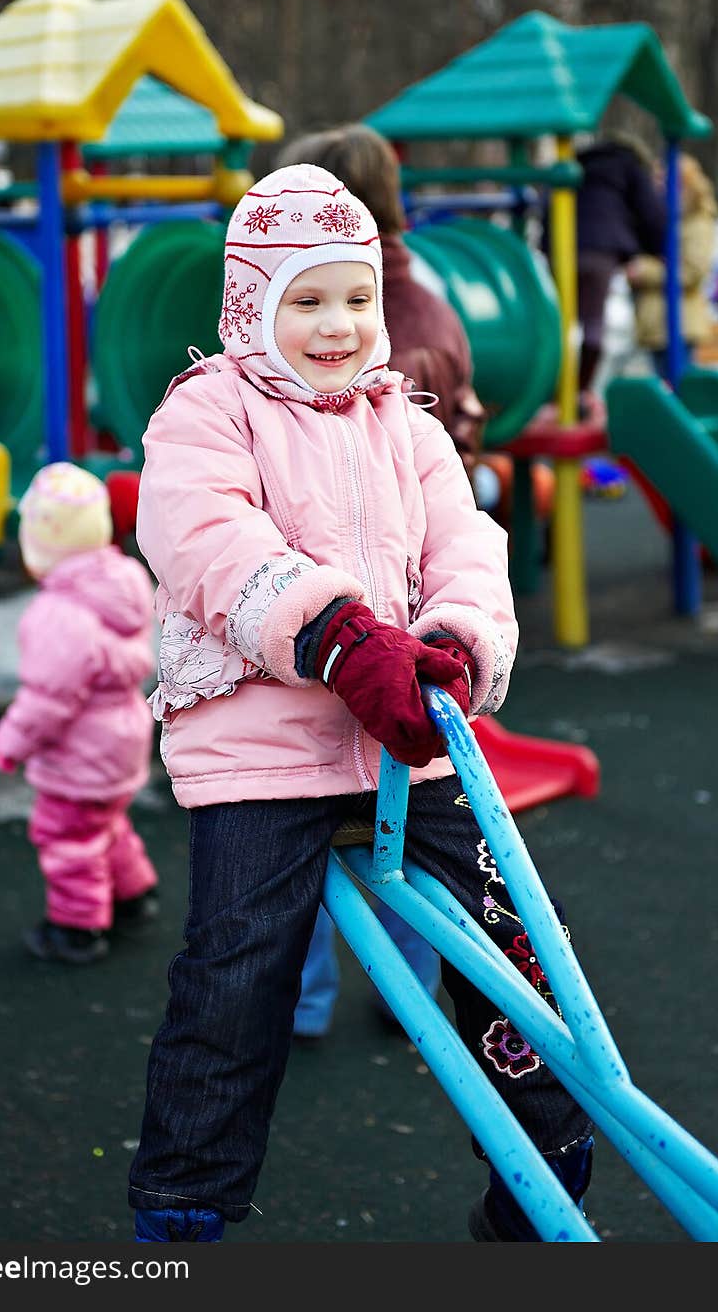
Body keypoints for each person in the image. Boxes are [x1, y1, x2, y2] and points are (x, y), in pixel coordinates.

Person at [128, 163, 595, 1243]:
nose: (335, 326)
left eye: (353, 297)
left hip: (408, 741)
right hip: (268, 743)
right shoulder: (208, 412)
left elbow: (467, 547)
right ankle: (186, 1199)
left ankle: (542, 1155)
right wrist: (337, 633)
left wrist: (453, 644)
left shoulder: (407, 423)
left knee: (517, 934)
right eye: (304, 300)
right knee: (236, 965)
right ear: (251, 304)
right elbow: (205, 539)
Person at [275, 122, 488, 1037]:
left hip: (343, 641)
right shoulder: (429, 305)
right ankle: (405, 996)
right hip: (383, 629)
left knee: (308, 839)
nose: (338, 322)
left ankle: (306, 1001)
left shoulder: (368, 346)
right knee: (395, 836)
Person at [0, 462, 159, 964]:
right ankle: (133, 895)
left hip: (80, 751)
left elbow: (47, 702)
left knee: (67, 837)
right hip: (122, 740)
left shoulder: (59, 615)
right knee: (106, 823)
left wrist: (8, 744)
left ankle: (76, 928)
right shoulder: (123, 581)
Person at [562, 133, 667, 410]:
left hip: (563, 245)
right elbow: (650, 213)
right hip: (601, 250)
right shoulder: (629, 165)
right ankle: (580, 391)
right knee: (593, 323)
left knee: (561, 323)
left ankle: (557, 390)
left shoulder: (578, 163)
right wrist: (658, 248)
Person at [626, 153, 718, 381]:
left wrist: (645, 270)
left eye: (663, 181)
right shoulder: (664, 220)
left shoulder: (696, 220)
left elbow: (692, 271)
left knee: (678, 391)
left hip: (679, 324)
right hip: (656, 324)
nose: (657, 188)